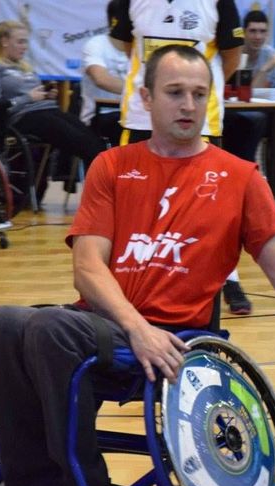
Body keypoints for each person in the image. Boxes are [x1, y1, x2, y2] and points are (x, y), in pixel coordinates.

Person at [0, 45, 275, 486]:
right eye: (175, 92)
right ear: (146, 97)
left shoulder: (240, 177)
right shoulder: (113, 166)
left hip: (179, 339)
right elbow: (87, 268)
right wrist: (136, 328)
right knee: (3, 323)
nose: (188, 104)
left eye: (199, 94)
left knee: (50, 328)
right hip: (111, 326)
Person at [110, 0, 253, 315]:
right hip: (139, 117)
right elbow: (123, 42)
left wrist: (194, 92)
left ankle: (229, 278)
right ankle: (131, 280)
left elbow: (231, 56)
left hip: (199, 120)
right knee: (134, 206)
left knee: (206, 209)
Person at [0, 20, 107, 193]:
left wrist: (46, 94)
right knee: (81, 143)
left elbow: (33, 94)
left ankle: (103, 185)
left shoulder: (24, 66)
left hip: (45, 110)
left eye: (26, 41)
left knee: (91, 138)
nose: (25, 47)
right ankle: (102, 191)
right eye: (20, 41)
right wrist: (28, 98)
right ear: (4, 41)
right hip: (21, 117)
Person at [222, 9, 275, 163]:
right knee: (256, 119)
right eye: (253, 31)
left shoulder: (271, 54)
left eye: (262, 32)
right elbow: (246, 93)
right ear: (244, 32)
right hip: (232, 111)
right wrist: (265, 69)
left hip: (260, 111)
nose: (258, 37)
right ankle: (246, 164)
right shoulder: (234, 54)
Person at [79, 0, 128, 147]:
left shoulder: (139, 49)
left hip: (132, 113)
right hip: (101, 115)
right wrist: (139, 90)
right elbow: (101, 79)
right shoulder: (96, 44)